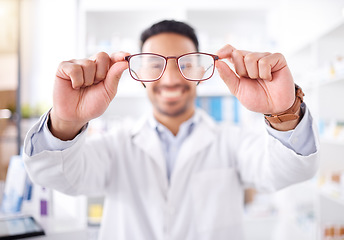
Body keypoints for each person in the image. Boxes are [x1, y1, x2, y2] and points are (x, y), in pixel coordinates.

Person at [23, 20, 318, 240]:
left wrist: (284, 111)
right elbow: (56, 174)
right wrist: (67, 122)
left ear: (201, 71)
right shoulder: (116, 144)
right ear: (137, 75)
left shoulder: (230, 140)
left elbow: (290, 169)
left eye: (186, 64)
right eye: (154, 65)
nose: (171, 79)